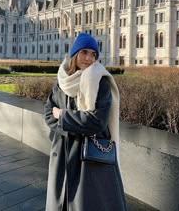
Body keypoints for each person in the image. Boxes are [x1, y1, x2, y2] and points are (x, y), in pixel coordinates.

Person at [44, 32, 127, 211]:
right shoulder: (61, 82)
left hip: (89, 157)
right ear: (75, 54)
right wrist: (71, 123)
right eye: (84, 52)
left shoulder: (101, 81)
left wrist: (63, 117)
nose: (89, 58)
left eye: (93, 54)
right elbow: (48, 114)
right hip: (62, 153)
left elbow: (97, 122)